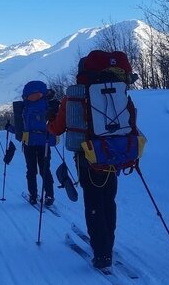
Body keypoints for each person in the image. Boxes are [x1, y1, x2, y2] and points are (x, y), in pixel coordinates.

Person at [48, 52, 135, 270]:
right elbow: (131, 122)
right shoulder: (120, 94)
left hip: (87, 156)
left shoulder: (75, 97)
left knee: (93, 202)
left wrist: (50, 120)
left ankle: (102, 254)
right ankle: (108, 245)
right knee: (109, 200)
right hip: (113, 155)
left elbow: (57, 128)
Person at [19, 81, 56, 206]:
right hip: (44, 141)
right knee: (45, 169)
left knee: (31, 170)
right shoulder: (48, 104)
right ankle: (49, 196)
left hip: (29, 142)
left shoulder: (25, 106)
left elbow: (21, 129)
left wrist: (10, 128)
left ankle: (33, 196)